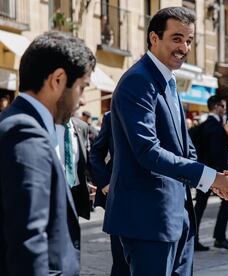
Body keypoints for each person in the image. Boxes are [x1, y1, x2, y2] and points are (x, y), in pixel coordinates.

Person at [103, 7, 228, 275]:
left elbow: (185, 148)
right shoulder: (138, 80)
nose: (185, 47)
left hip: (175, 215)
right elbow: (148, 151)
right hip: (146, 219)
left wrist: (212, 179)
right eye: (177, 38)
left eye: (189, 40)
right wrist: (211, 178)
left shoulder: (166, 79)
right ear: (154, 38)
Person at [0, 31, 95, 275]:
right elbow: (28, 239)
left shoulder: (18, 123)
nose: (82, 101)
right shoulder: (24, 131)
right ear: (58, 79)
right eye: (82, 88)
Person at [193, 95, 228, 251]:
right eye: (223, 106)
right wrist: (221, 175)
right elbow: (216, 154)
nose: (224, 109)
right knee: (227, 200)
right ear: (216, 106)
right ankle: (219, 237)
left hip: (202, 171)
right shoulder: (214, 127)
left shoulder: (202, 126)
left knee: (199, 205)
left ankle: (194, 238)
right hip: (213, 173)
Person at [89, 111, 130, 275]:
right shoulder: (112, 116)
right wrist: (105, 182)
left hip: (152, 198)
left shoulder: (159, 110)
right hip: (119, 197)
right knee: (121, 260)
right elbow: (96, 153)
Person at [56, 116, 93, 220]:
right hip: (55, 190)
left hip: (75, 191)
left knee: (73, 231)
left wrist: (93, 181)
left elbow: (86, 157)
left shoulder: (82, 126)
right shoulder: (46, 124)